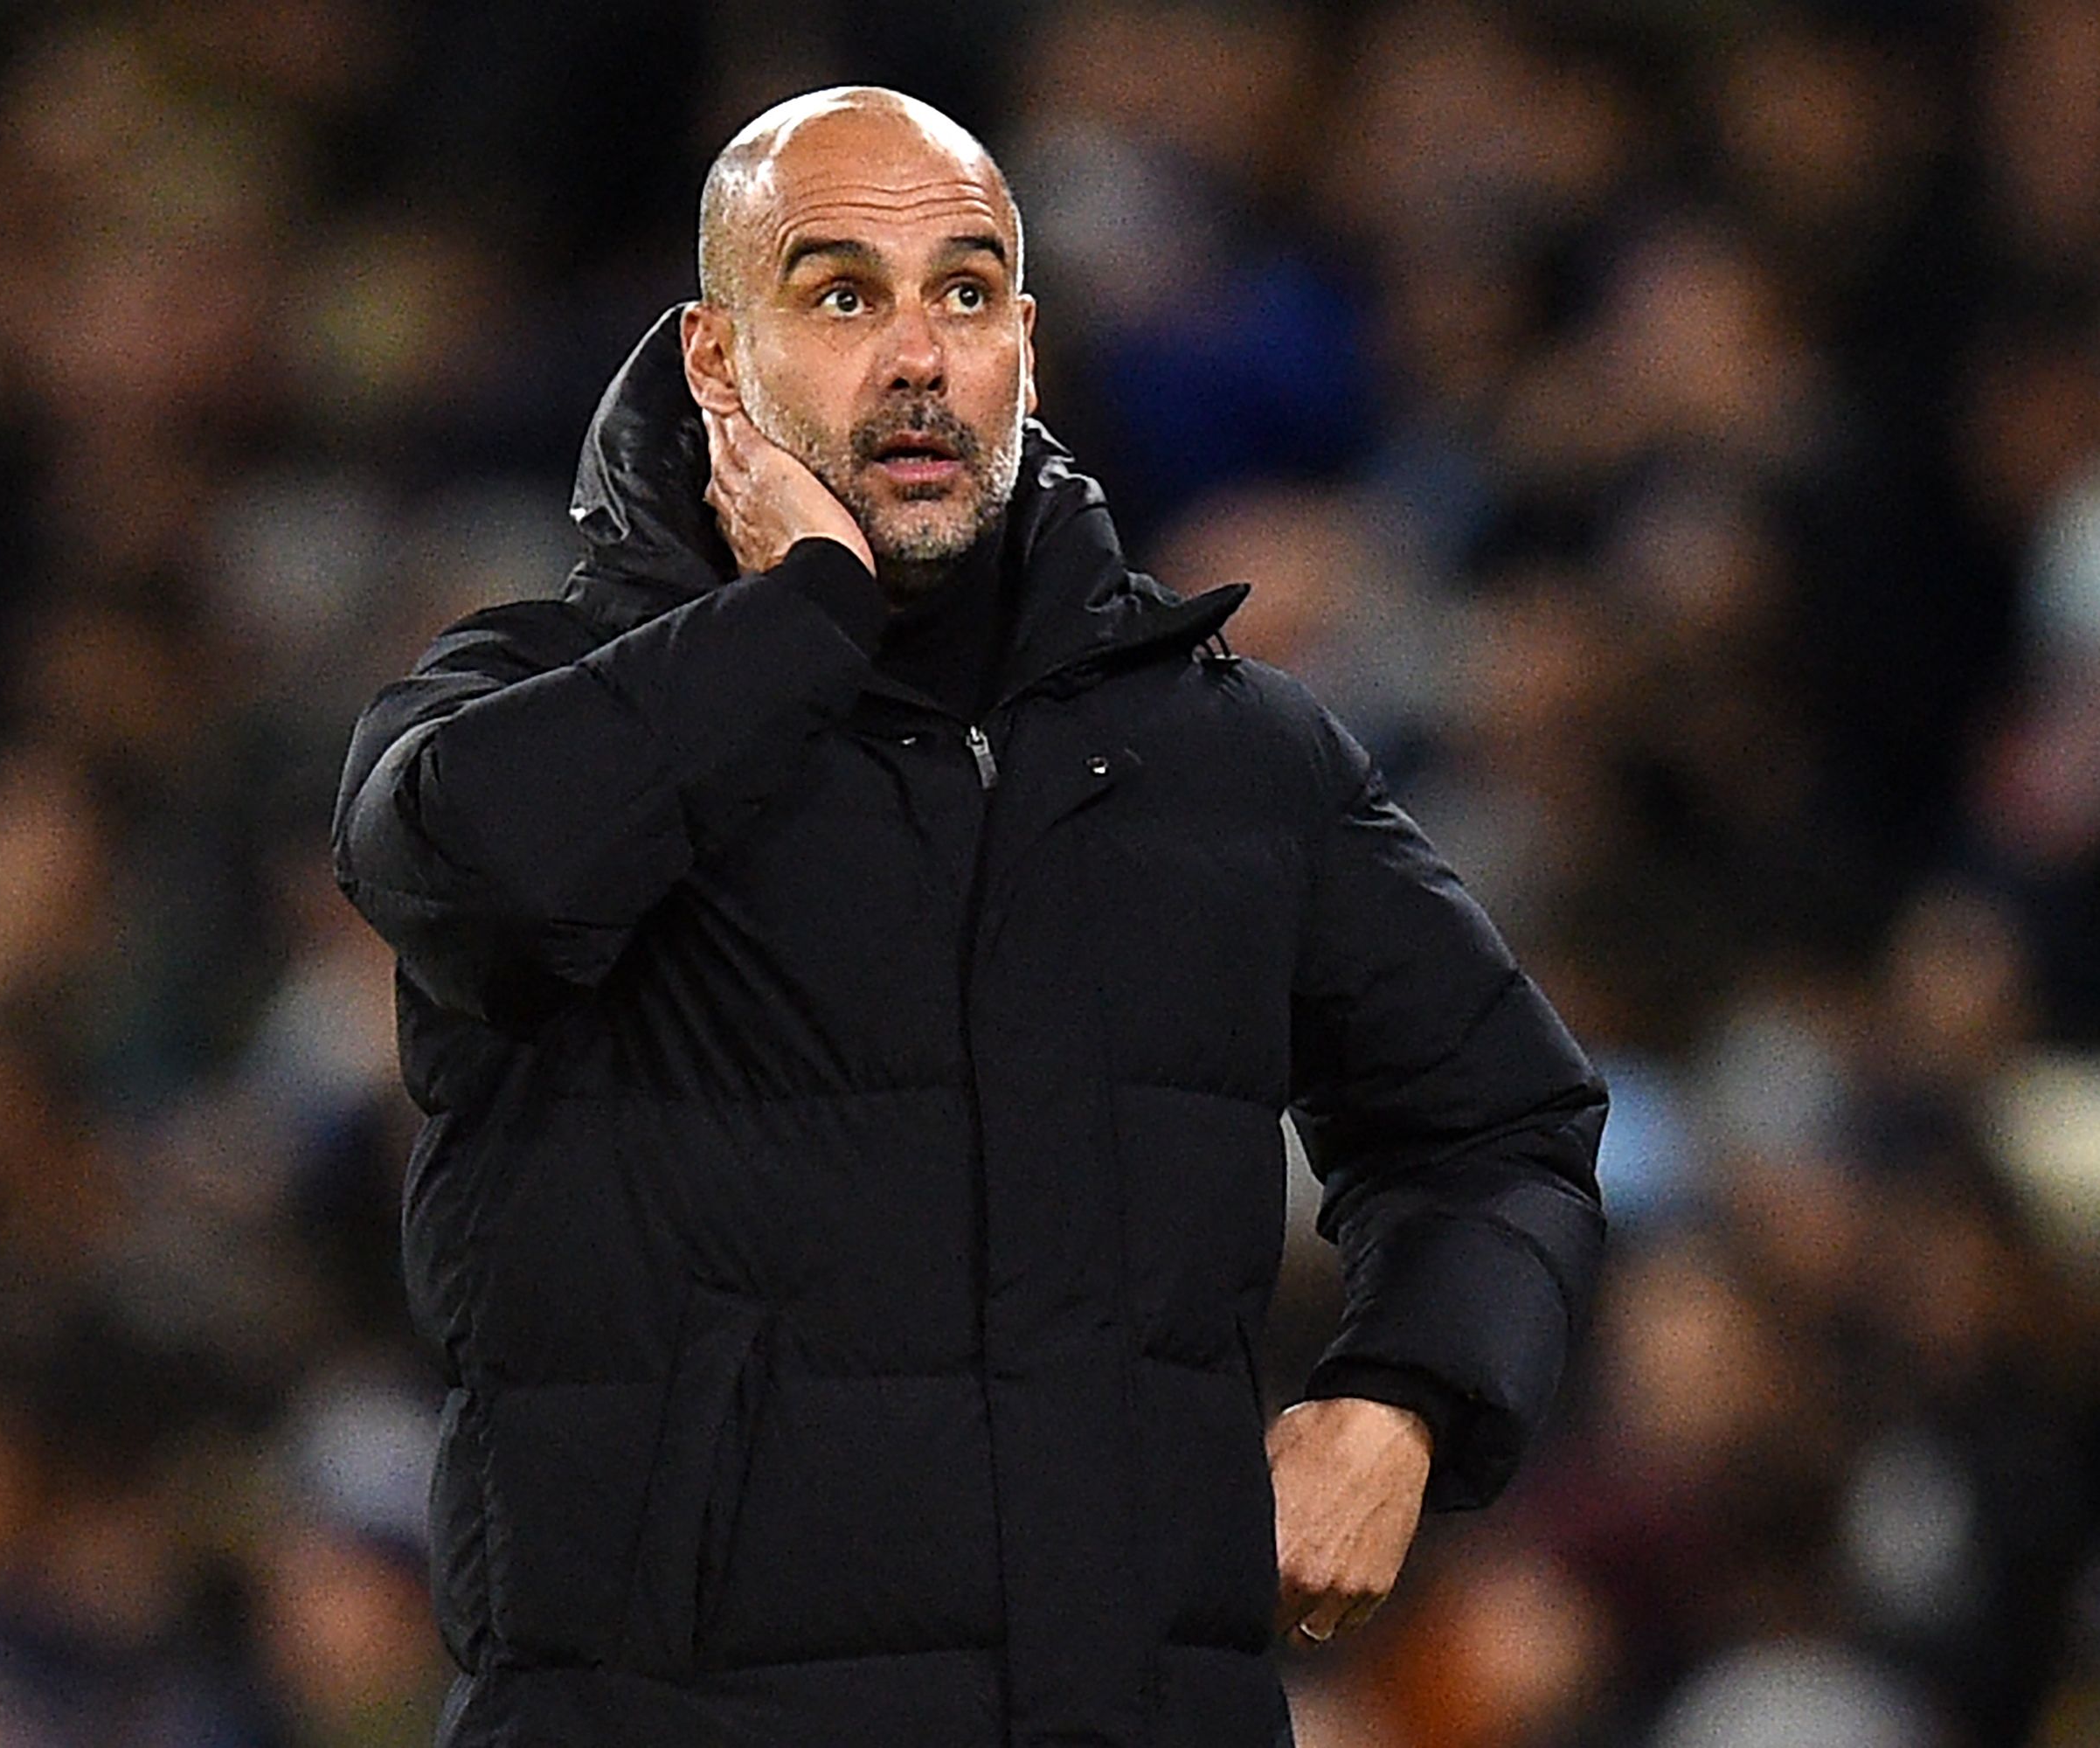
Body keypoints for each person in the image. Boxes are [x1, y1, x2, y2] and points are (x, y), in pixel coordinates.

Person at [333, 87, 1606, 1748]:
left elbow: (1505, 1122)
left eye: (966, 289)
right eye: (841, 292)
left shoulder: (1223, 754)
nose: (918, 353)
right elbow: (479, 885)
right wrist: (803, 617)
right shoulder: (523, 704)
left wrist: (1402, 1399)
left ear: (1027, 346)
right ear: (718, 364)